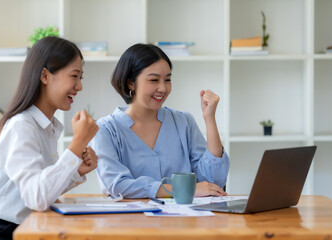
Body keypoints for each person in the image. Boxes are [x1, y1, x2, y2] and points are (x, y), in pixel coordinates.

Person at [0, 36, 99, 240]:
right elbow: (37, 198)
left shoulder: (43, 126)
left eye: (81, 78)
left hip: (18, 229)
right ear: (45, 75)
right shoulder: (22, 126)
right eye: (74, 76)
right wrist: (76, 145)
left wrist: (76, 170)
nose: (79, 86)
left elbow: (41, 189)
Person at [91, 43, 229, 199]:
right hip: (131, 221)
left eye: (167, 80)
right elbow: (116, 185)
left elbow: (213, 182)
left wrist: (209, 118)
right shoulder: (105, 129)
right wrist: (181, 189)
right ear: (131, 83)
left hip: (183, 221)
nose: (163, 88)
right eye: (154, 80)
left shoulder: (183, 122)